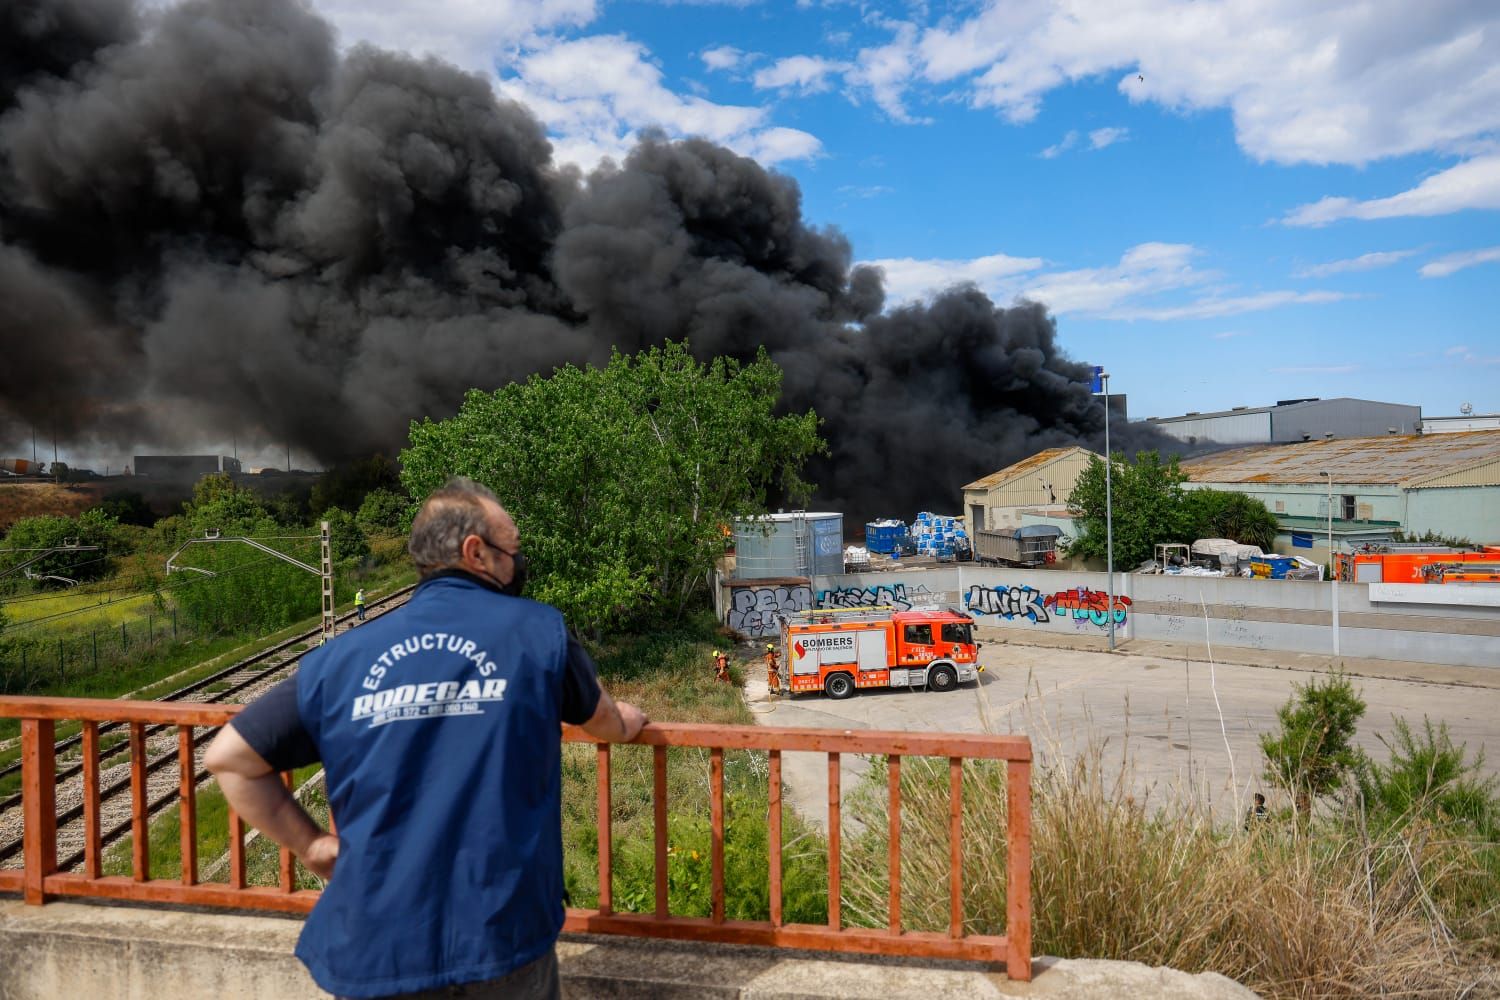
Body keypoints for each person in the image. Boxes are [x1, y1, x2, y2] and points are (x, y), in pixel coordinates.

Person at [205, 477, 647, 999]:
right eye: (514, 549)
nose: (519, 562)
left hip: (375, 946)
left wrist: (314, 846)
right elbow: (607, 723)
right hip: (497, 937)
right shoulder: (537, 632)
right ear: (476, 552)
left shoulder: (338, 661)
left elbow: (229, 757)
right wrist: (630, 718)